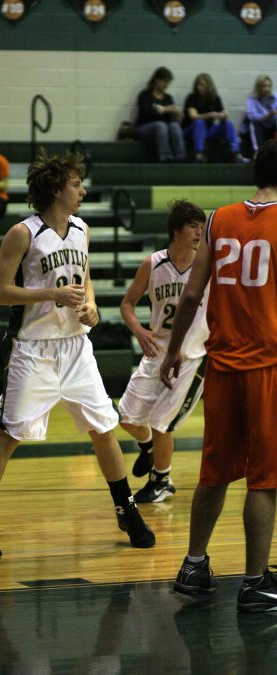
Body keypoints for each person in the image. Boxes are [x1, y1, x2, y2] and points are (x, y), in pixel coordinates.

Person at [0, 149, 155, 559]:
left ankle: (126, 510)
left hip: (76, 346)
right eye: (76, 184)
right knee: (9, 435)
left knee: (103, 428)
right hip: (35, 349)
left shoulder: (81, 228)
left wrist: (92, 306)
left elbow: (84, 278)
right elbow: (1, 293)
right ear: (55, 189)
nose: (82, 190)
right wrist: (52, 294)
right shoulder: (22, 234)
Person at [160, 139, 277, 613]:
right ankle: (254, 582)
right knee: (265, 480)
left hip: (222, 364)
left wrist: (173, 352)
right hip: (267, 365)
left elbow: (189, 297)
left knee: (214, 473)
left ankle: (193, 564)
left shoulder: (219, 218)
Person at [118, 200, 208, 503]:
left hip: (191, 356)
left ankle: (162, 481)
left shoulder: (207, 266)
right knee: (126, 418)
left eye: (202, 225)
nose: (200, 231)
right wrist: (140, 331)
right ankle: (148, 447)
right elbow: (127, 304)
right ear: (176, 230)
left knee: (160, 422)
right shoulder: (153, 263)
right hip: (156, 352)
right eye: (193, 226)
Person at [182, 73, 249, 164]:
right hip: (191, 130)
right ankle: (199, 154)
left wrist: (224, 115)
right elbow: (193, 116)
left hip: (208, 131)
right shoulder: (192, 98)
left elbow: (223, 112)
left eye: (202, 84)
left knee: (227, 123)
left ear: (208, 86)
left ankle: (236, 153)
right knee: (199, 122)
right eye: (198, 84)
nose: (199, 87)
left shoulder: (215, 98)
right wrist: (210, 115)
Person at [133, 67, 186, 162]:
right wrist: (162, 110)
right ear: (156, 80)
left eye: (168, 82)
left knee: (174, 126)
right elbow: (144, 114)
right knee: (160, 125)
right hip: (143, 127)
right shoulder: (145, 95)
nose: (166, 84)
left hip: (162, 128)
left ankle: (180, 156)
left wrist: (176, 116)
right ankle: (165, 156)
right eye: (164, 81)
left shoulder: (168, 98)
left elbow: (169, 121)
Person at [243, 75, 277, 159]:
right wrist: (266, 115)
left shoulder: (274, 98)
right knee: (254, 123)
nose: (266, 89)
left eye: (268, 86)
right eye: (264, 86)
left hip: (271, 125)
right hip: (258, 126)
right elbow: (251, 116)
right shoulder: (251, 99)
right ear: (258, 87)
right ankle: (257, 151)